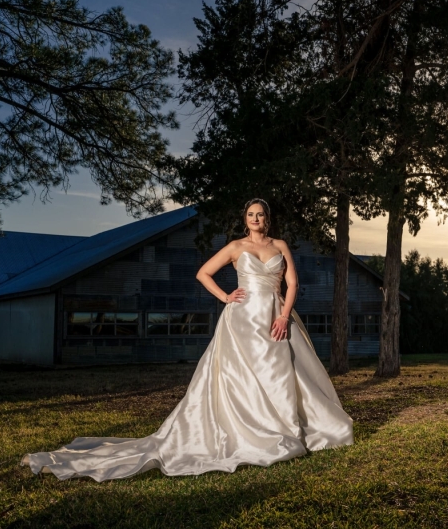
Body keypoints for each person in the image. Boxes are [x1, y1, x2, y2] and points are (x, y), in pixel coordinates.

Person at [21, 199, 354, 481]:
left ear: (268, 219)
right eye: (251, 215)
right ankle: (256, 431)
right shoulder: (236, 247)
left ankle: (287, 428)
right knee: (243, 379)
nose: (256, 219)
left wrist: (283, 316)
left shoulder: (279, 246)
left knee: (284, 374)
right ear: (245, 219)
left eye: (261, 214)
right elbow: (202, 273)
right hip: (243, 321)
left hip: (277, 317)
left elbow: (292, 283)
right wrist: (225, 296)